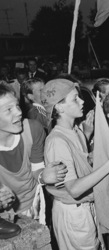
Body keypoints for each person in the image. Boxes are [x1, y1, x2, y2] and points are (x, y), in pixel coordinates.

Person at [42, 79, 109, 249]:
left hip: (87, 207)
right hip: (73, 212)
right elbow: (74, 189)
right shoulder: (57, 141)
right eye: (75, 99)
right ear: (59, 107)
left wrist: (88, 137)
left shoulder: (76, 130)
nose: (82, 101)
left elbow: (81, 161)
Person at [0, 84, 67, 236]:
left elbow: (37, 169)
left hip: (32, 204)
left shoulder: (32, 129)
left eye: (17, 106)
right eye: (8, 110)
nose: (18, 112)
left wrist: (44, 176)